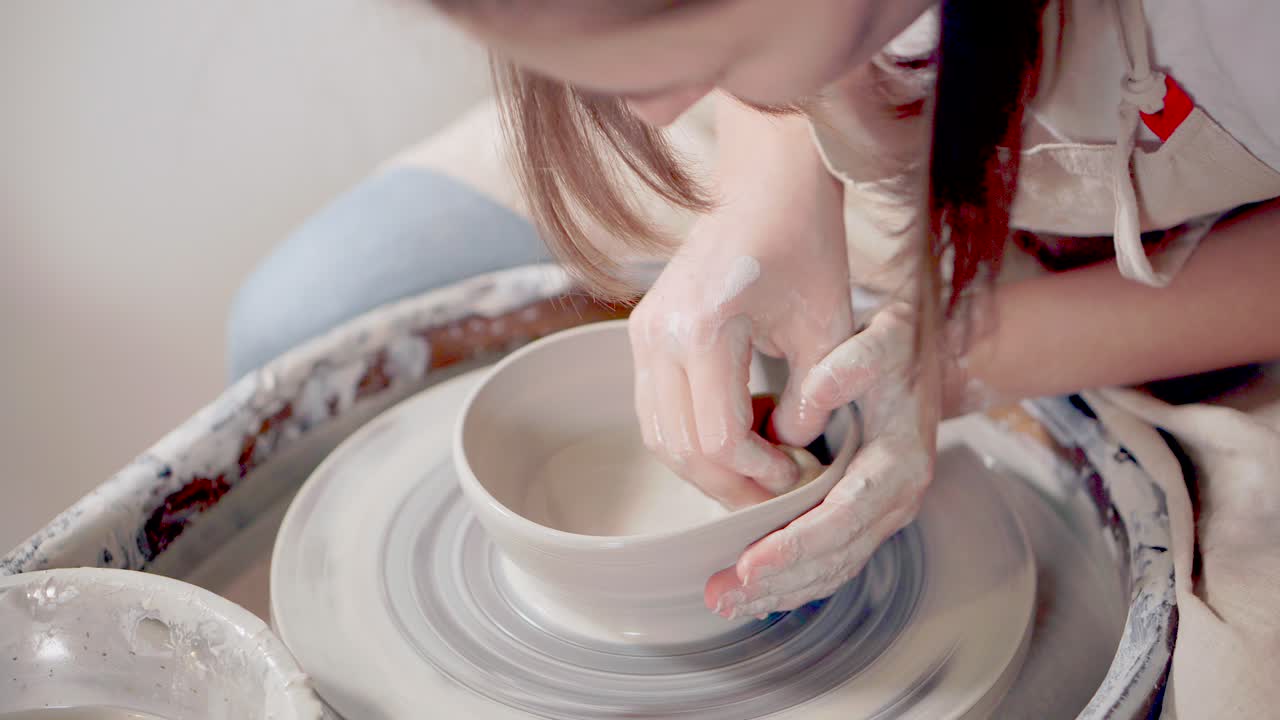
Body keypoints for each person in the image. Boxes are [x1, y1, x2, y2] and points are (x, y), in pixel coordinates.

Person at [233, 1, 1280, 712]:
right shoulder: (681, 67)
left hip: (1205, 278)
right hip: (817, 92)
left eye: (662, 39)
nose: (647, 109)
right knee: (313, 313)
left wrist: (957, 359)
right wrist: (765, 198)